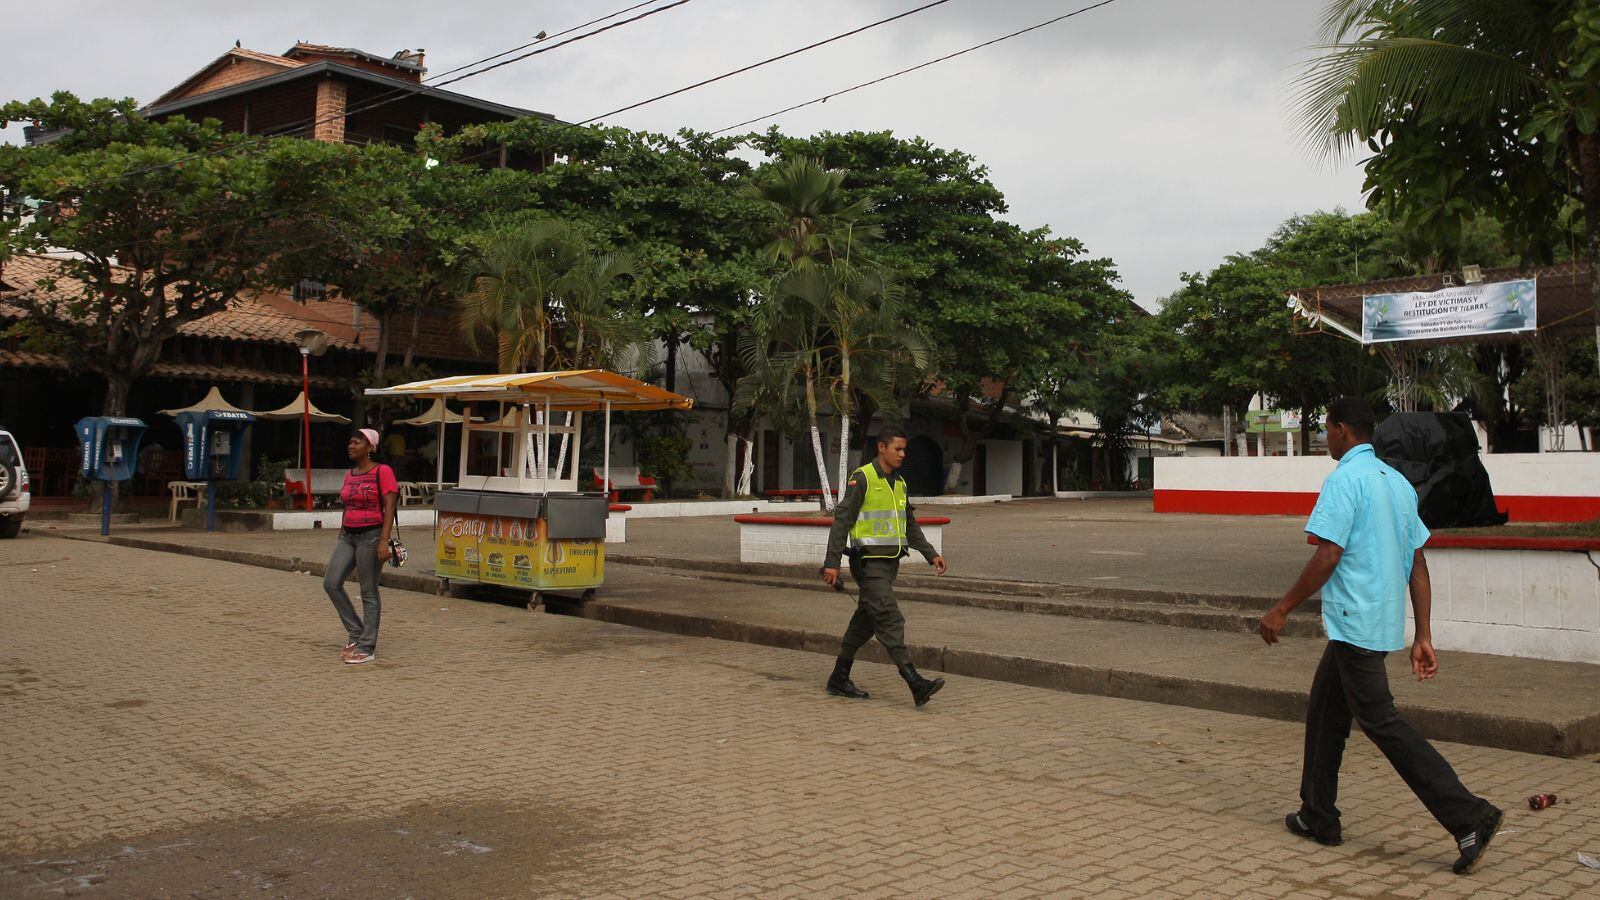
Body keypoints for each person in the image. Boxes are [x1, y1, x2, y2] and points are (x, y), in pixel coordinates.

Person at [1258, 396, 1502, 875]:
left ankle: (1470, 815)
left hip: (1356, 623)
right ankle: (1317, 814)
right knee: (1325, 713)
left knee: (1382, 722)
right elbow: (1418, 564)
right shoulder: (1397, 484)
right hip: (1377, 622)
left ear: (1344, 430)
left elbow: (1328, 555)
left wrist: (1282, 608)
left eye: (1326, 428)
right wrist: (1423, 634)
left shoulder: (1345, 480)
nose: (1325, 436)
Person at [821, 426, 949, 707]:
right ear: (882, 448)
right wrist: (832, 563)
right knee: (890, 618)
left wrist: (930, 554)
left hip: (889, 565)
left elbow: (909, 525)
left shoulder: (899, 483)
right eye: (898, 449)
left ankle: (838, 678)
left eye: (904, 450)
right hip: (868, 564)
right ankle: (915, 682)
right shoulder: (863, 478)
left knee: (865, 622)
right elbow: (842, 520)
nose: (903, 454)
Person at [324, 428, 399, 665]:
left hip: (372, 536)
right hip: (348, 536)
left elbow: (390, 507)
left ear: (370, 448)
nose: (351, 445)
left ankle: (367, 646)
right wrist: (341, 534)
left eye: (357, 442)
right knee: (331, 583)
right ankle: (355, 631)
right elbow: (347, 505)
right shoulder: (350, 474)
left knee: (368, 591)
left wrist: (383, 541)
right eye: (350, 442)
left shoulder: (382, 471)